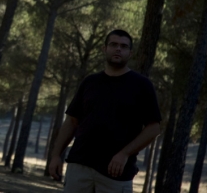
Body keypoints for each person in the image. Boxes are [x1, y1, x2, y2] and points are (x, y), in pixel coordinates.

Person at [48, 29, 161, 192]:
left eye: (123, 46)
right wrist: (56, 155)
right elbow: (72, 121)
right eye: (113, 44)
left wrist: (125, 153)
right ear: (104, 49)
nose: (118, 49)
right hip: (79, 167)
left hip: (115, 173)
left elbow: (154, 128)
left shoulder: (142, 86)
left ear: (130, 53)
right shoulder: (90, 82)